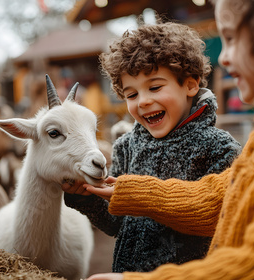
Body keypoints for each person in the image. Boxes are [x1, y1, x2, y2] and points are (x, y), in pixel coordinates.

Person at [82, 0, 254, 279]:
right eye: (131, 94)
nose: (224, 58)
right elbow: (219, 198)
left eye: (230, 39)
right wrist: (125, 192)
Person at [63, 22, 242, 273]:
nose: (144, 101)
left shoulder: (219, 148)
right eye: (131, 95)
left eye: (155, 87)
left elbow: (220, 221)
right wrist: (86, 199)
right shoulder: (126, 146)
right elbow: (118, 225)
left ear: (190, 84)